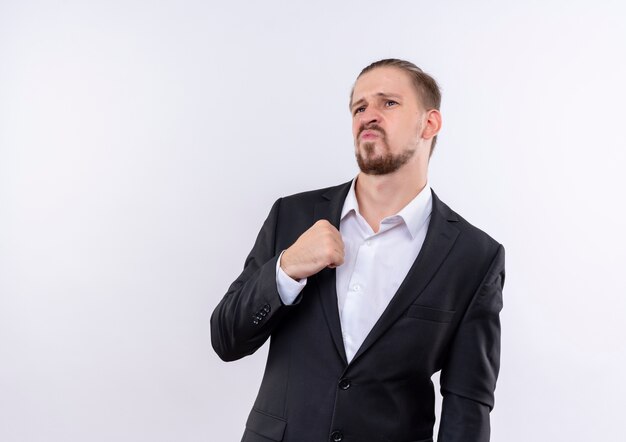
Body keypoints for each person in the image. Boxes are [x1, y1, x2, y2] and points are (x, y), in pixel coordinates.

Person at [211, 58, 505, 442]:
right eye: (359, 107)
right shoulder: (293, 215)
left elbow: (467, 406)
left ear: (429, 124)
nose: (369, 115)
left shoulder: (474, 256)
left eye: (388, 103)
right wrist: (286, 269)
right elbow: (226, 339)